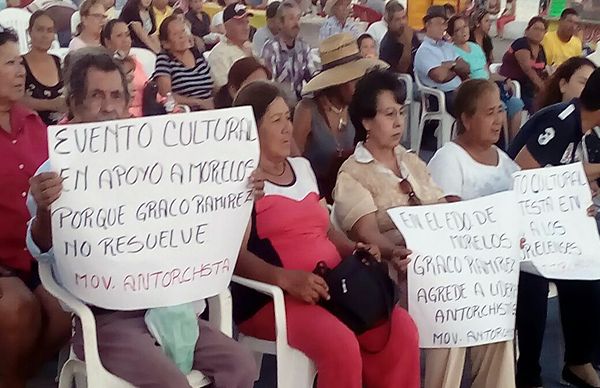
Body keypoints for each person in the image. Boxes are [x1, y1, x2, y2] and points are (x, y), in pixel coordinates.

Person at [26, 47, 259, 388]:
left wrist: (238, 191)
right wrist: (46, 208)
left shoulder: (150, 159)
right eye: (96, 95)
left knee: (241, 366)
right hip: (108, 318)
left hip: (167, 305)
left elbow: (194, 211)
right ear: (74, 103)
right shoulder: (53, 173)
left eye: (116, 96)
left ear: (126, 102)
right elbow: (43, 251)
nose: (108, 106)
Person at [232, 79, 420, 388]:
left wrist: (356, 250)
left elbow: (328, 231)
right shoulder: (242, 181)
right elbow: (235, 258)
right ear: (251, 130)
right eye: (276, 121)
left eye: (288, 118)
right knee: (340, 343)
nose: (287, 129)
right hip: (275, 297)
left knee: (400, 329)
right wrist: (286, 279)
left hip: (334, 286)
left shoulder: (302, 169)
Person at [508, 68, 600, 388]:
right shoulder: (562, 122)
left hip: (549, 225)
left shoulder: (583, 128)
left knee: (589, 273)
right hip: (518, 224)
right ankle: (528, 373)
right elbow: (522, 171)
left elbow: (562, 174)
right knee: (533, 286)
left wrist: (578, 196)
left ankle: (579, 361)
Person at [426, 80, 518, 388]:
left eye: (501, 111)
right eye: (489, 113)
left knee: (500, 335)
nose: (498, 121)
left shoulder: (507, 165)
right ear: (466, 119)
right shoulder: (449, 159)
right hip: (454, 282)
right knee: (453, 339)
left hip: (494, 282)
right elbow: (447, 221)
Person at [332, 68, 445, 308]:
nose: (398, 122)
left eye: (401, 113)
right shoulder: (353, 173)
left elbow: (442, 211)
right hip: (389, 272)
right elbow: (367, 233)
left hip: (435, 263)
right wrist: (395, 251)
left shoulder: (411, 161)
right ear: (366, 121)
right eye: (389, 114)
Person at [0, 27, 71, 388]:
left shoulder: (33, 124)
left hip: (36, 253)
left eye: (19, 62)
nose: (20, 71)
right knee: (18, 310)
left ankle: (16, 376)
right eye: (11, 62)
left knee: (63, 311)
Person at [293, 33, 388, 203]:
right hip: (315, 194)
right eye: (354, 81)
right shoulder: (307, 110)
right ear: (337, 83)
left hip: (349, 192)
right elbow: (293, 162)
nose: (359, 86)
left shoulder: (355, 108)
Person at [448, 14, 524, 139]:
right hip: (475, 89)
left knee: (516, 104)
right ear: (452, 34)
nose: (464, 31)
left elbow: (487, 73)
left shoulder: (475, 47)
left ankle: (513, 144)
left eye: (465, 27)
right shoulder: (452, 51)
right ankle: (502, 145)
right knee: (500, 107)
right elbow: (465, 78)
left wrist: (504, 79)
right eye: (458, 29)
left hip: (488, 85)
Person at [414, 5, 470, 117]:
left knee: (488, 101)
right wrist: (456, 67)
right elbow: (440, 77)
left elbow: (466, 67)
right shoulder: (424, 51)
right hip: (441, 97)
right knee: (473, 108)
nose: (444, 27)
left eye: (445, 24)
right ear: (428, 24)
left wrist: (449, 66)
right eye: (440, 23)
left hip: (458, 91)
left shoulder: (447, 46)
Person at [155, 16, 214, 110]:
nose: (182, 36)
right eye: (175, 34)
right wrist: (200, 103)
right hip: (186, 112)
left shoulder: (197, 55)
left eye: (183, 31)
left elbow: (211, 85)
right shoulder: (164, 60)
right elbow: (165, 95)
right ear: (166, 43)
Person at [261, 0, 315, 100]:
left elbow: (313, 78)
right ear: (280, 23)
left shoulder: (303, 47)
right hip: (278, 102)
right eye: (291, 19)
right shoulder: (271, 48)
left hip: (298, 103)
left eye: (298, 18)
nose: (296, 23)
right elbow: (269, 86)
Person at [22, 10, 66, 125]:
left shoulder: (58, 61)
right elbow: (15, 100)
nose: (45, 35)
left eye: (49, 30)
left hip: (60, 132)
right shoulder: (19, 64)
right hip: (31, 129)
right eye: (40, 29)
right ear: (30, 32)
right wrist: (50, 104)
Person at [499, 16, 549, 114]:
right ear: (527, 30)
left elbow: (543, 70)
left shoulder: (541, 49)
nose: (538, 32)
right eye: (535, 28)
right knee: (538, 104)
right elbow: (527, 69)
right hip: (515, 87)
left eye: (542, 30)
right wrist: (544, 88)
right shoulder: (521, 43)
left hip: (531, 89)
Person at [101, 19, 148, 117]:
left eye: (127, 35)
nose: (125, 40)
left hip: (147, 113)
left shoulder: (135, 62)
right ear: (107, 42)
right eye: (119, 36)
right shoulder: (103, 68)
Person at [208, 2, 253, 88]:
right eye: (240, 23)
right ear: (226, 26)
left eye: (247, 22)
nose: (246, 27)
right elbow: (224, 90)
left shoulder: (251, 48)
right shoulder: (219, 55)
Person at [378, 1, 419, 74]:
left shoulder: (410, 33)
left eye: (403, 18)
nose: (402, 22)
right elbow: (401, 72)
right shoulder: (387, 45)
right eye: (397, 19)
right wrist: (407, 45)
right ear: (389, 21)